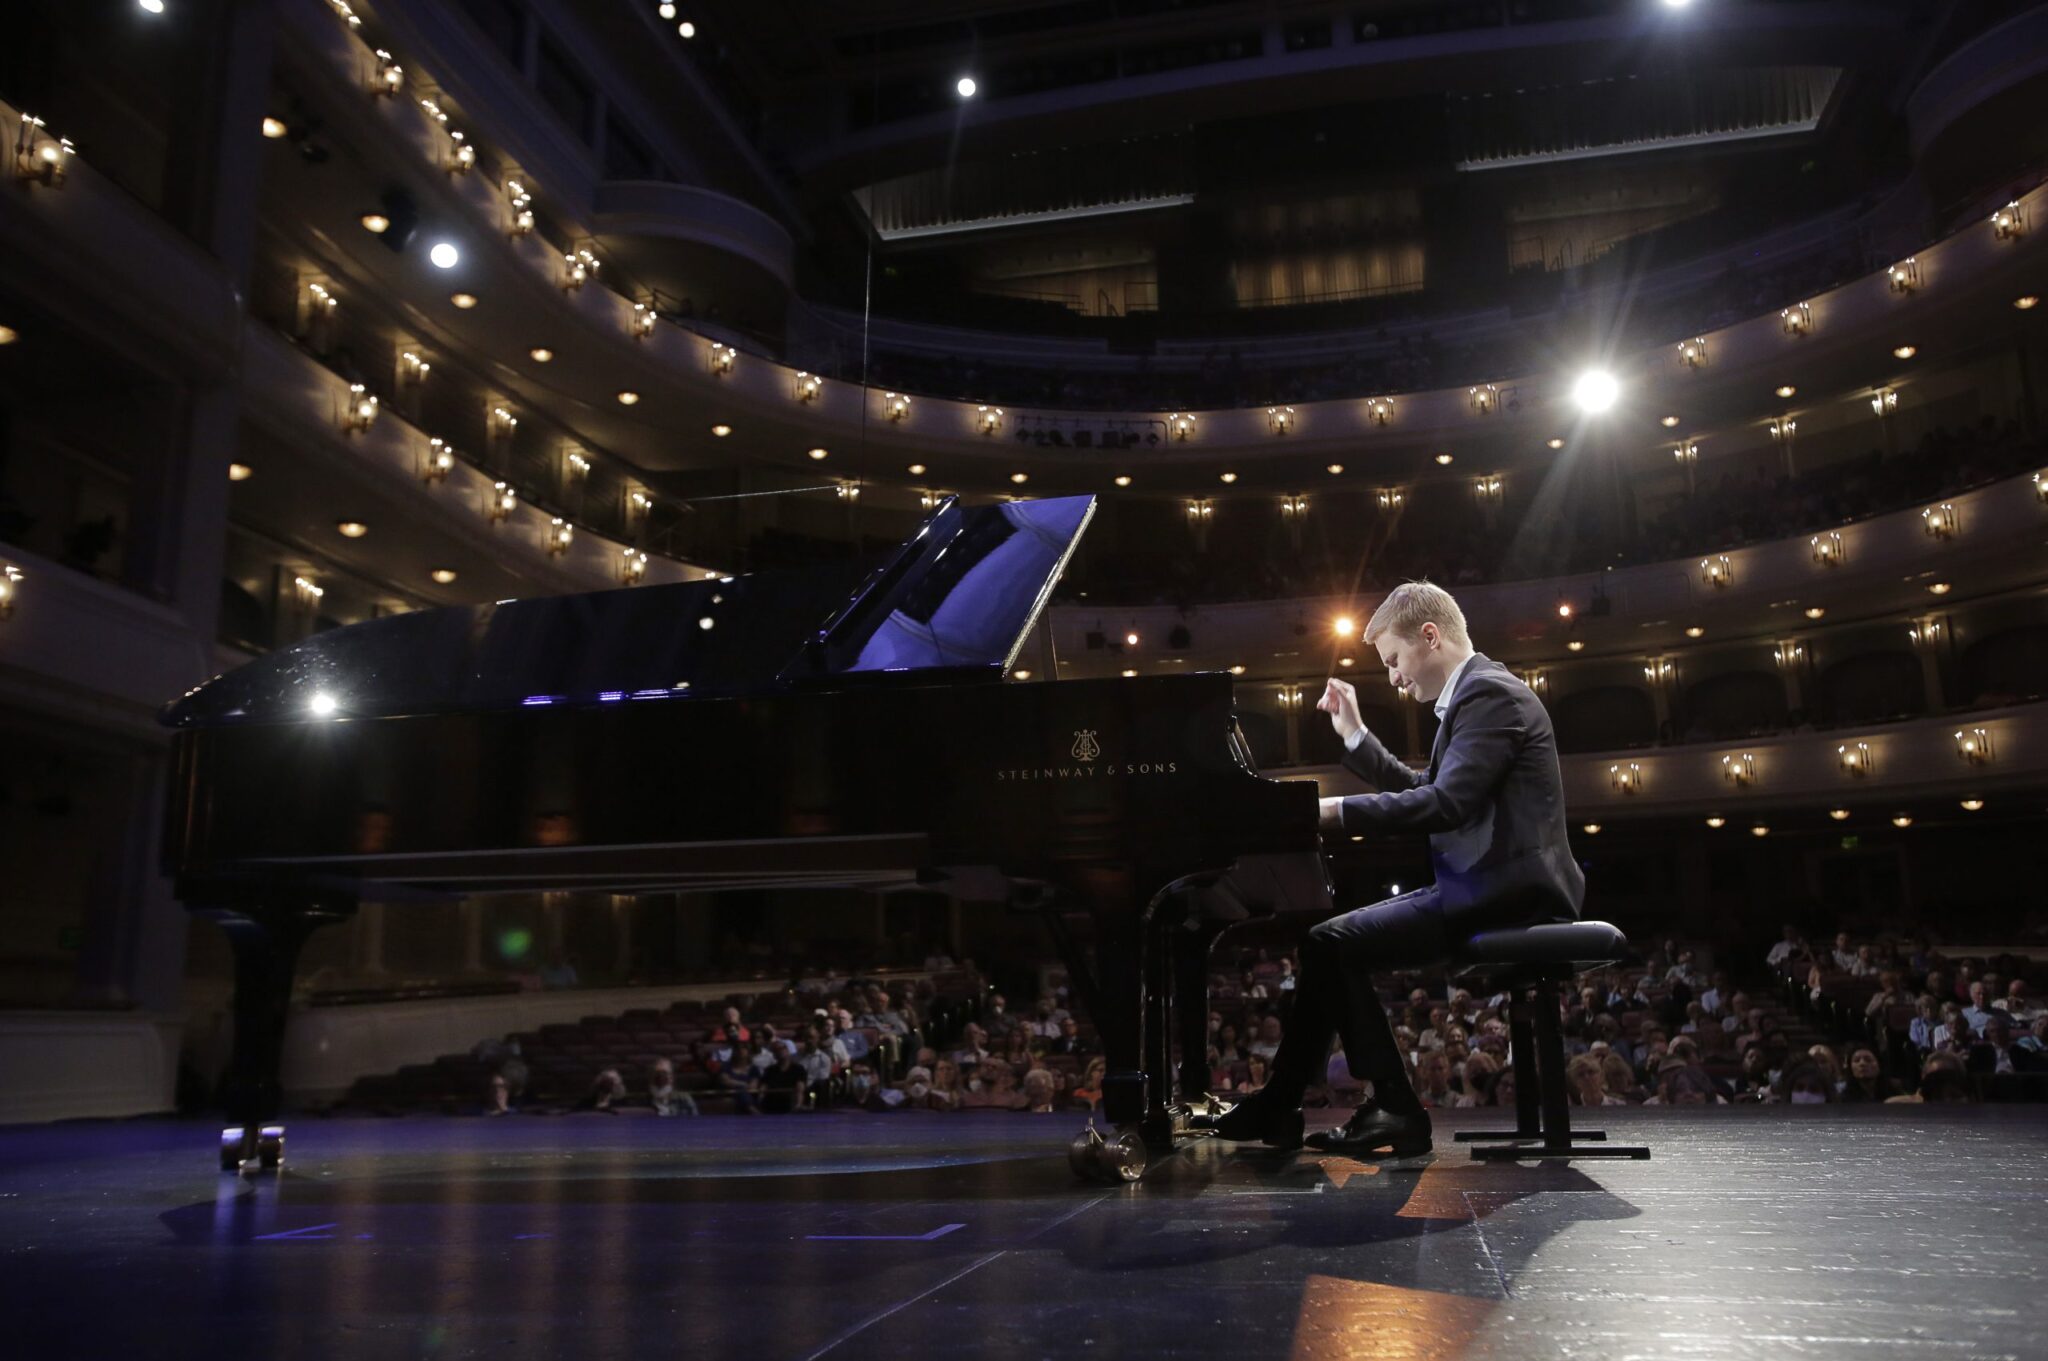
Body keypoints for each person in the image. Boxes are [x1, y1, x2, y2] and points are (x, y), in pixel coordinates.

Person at [1204, 582, 1582, 1159]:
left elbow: (1444, 804)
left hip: (1509, 893)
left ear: (1429, 636)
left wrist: (1331, 810)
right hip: (1492, 886)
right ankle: (1291, 1100)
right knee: (1326, 943)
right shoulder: (1480, 694)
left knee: (1329, 944)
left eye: (1393, 660)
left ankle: (1384, 1105)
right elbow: (1428, 789)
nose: (1394, 678)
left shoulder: (1490, 695)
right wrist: (1356, 737)